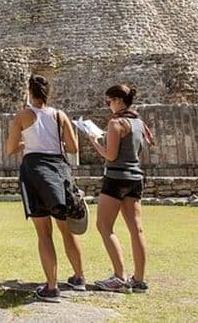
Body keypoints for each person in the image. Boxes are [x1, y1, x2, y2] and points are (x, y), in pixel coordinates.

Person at [6, 74, 87, 303]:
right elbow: (72, 147)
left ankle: (51, 288)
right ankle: (79, 277)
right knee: (67, 228)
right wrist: (55, 143)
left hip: (36, 171)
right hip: (59, 170)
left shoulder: (24, 115)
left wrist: (27, 142)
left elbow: (11, 148)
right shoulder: (60, 115)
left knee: (44, 233)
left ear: (28, 91)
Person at [87, 84, 152, 294]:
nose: (108, 106)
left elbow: (110, 155)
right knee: (136, 229)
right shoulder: (139, 123)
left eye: (109, 102)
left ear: (118, 101)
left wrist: (94, 142)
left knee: (104, 226)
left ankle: (119, 276)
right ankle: (139, 280)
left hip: (116, 178)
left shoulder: (116, 122)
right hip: (135, 177)